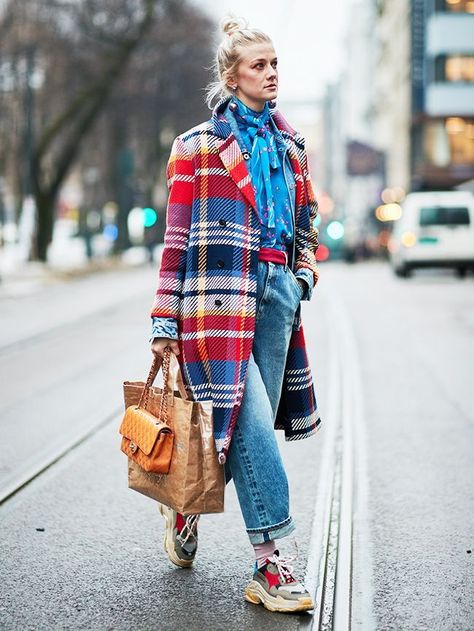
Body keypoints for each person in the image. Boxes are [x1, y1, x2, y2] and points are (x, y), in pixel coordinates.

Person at [149, 14, 322, 614]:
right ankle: (272, 564)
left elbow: (307, 222)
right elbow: (175, 239)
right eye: (259, 65)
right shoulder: (196, 147)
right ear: (231, 75)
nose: (272, 74)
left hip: (276, 297)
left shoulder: (293, 143)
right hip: (214, 304)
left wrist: (301, 277)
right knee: (247, 422)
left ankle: (185, 503)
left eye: (276, 64)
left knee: (236, 432)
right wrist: (163, 322)